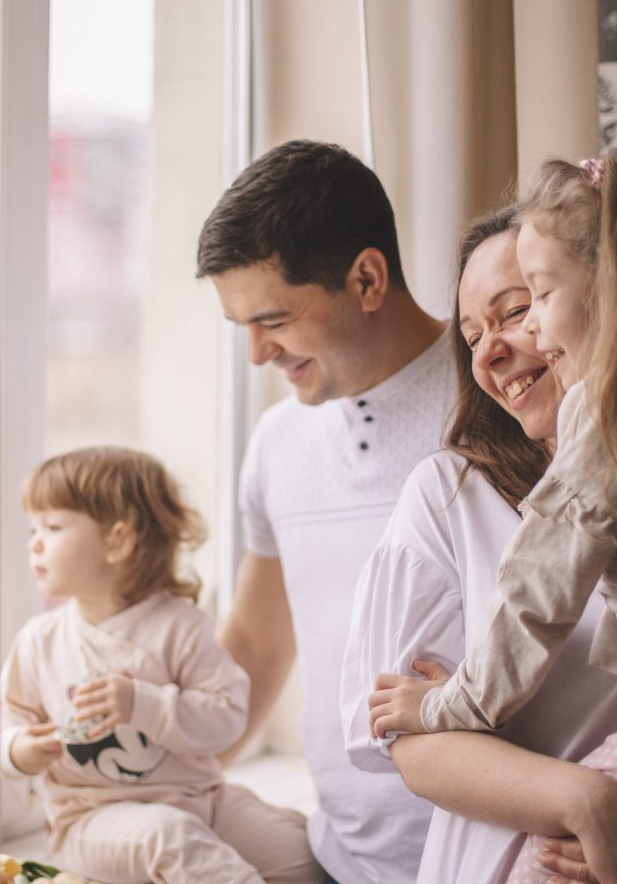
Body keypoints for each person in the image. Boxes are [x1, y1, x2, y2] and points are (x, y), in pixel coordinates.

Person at [370, 149, 617, 882]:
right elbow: (394, 745)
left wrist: (445, 705)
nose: (504, 346)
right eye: (470, 334)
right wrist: (596, 805)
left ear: (615, 288)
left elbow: (531, 603)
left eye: (527, 303)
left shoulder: (612, 419)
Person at [196, 140, 456, 883]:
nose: (256, 355)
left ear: (367, 278)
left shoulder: (502, 409)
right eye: (240, 327)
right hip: (343, 863)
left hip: (503, 859)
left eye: (272, 320)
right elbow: (254, 645)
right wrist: (152, 776)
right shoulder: (277, 442)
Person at [0, 446, 321, 884]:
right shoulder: (40, 641)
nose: (34, 542)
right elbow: (6, 721)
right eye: (33, 528)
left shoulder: (181, 628)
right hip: (92, 820)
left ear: (117, 540)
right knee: (172, 839)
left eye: (52, 527)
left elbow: (226, 720)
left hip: (198, 798)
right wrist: (18, 749)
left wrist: (142, 704)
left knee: (303, 852)